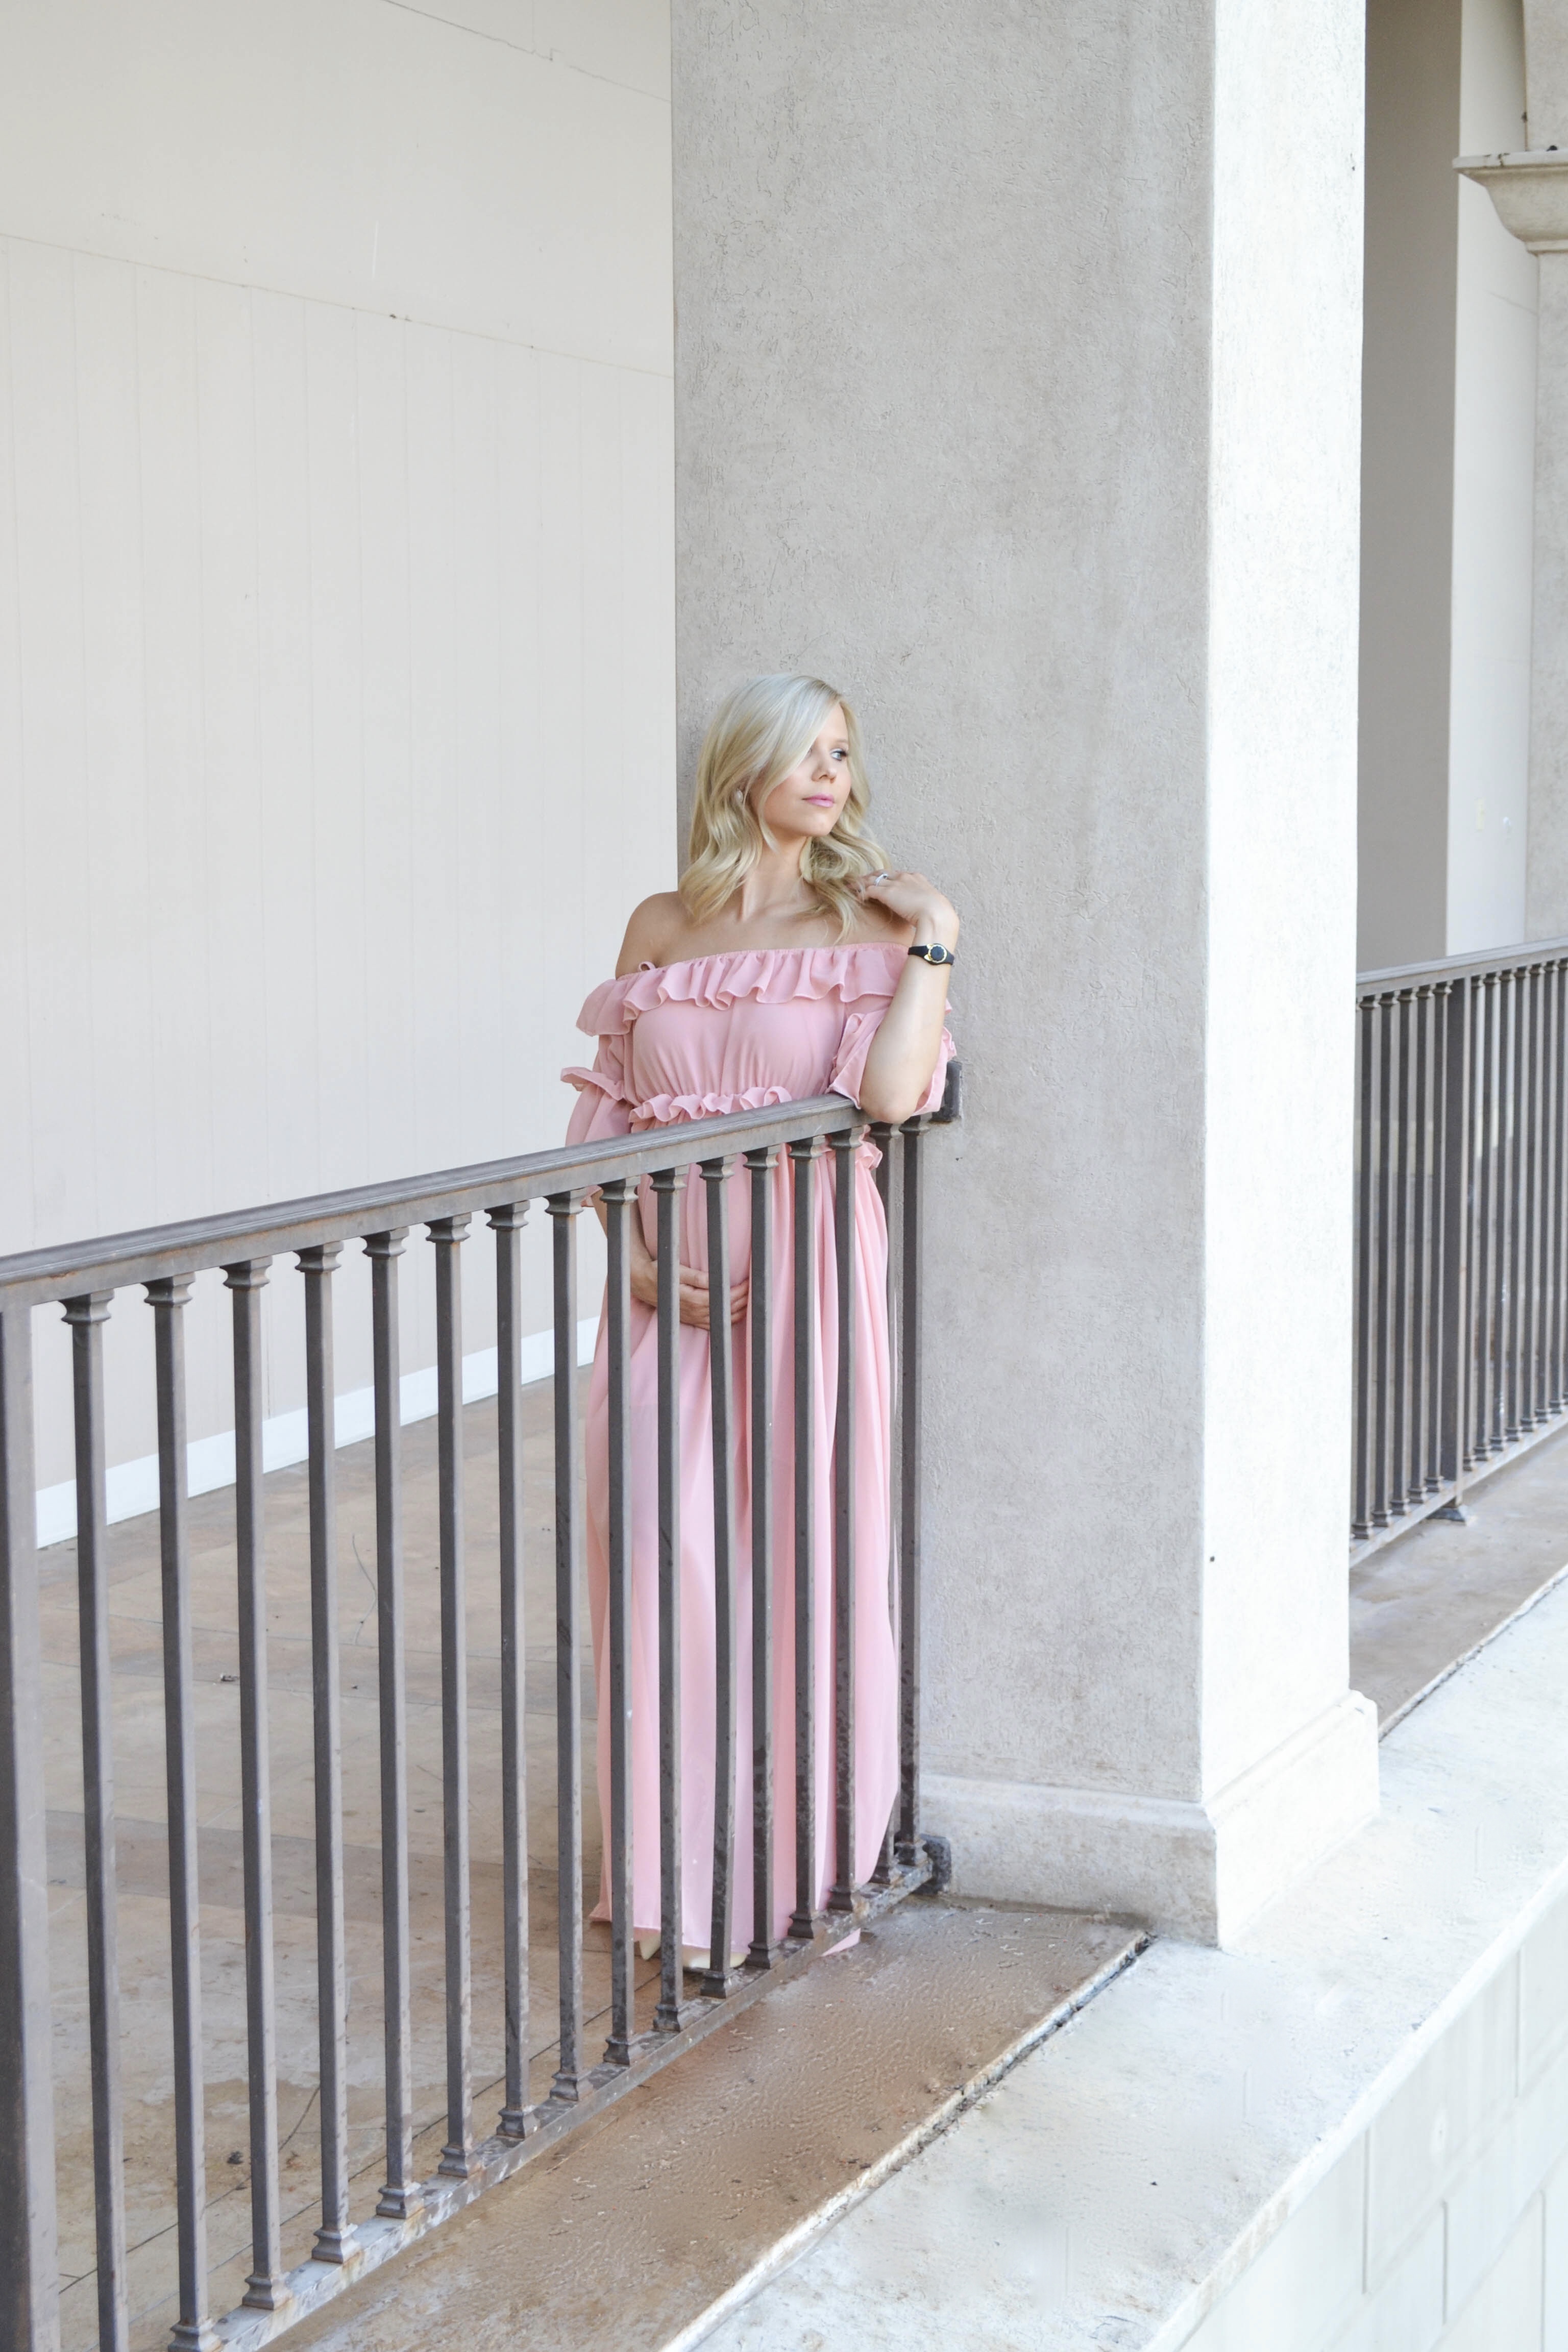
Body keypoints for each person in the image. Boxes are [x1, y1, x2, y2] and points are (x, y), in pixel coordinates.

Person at [562, 673, 958, 1963]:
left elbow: (893, 1097)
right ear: (747, 768)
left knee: (801, 1560)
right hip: (661, 1300)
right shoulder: (661, 925)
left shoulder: (866, 921)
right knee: (661, 1559)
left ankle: (793, 1876)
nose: (834, 774)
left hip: (808, 1277)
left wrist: (936, 937)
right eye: (810, 752)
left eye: (846, 752)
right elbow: (611, 1120)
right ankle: (673, 1876)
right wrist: (626, 1253)